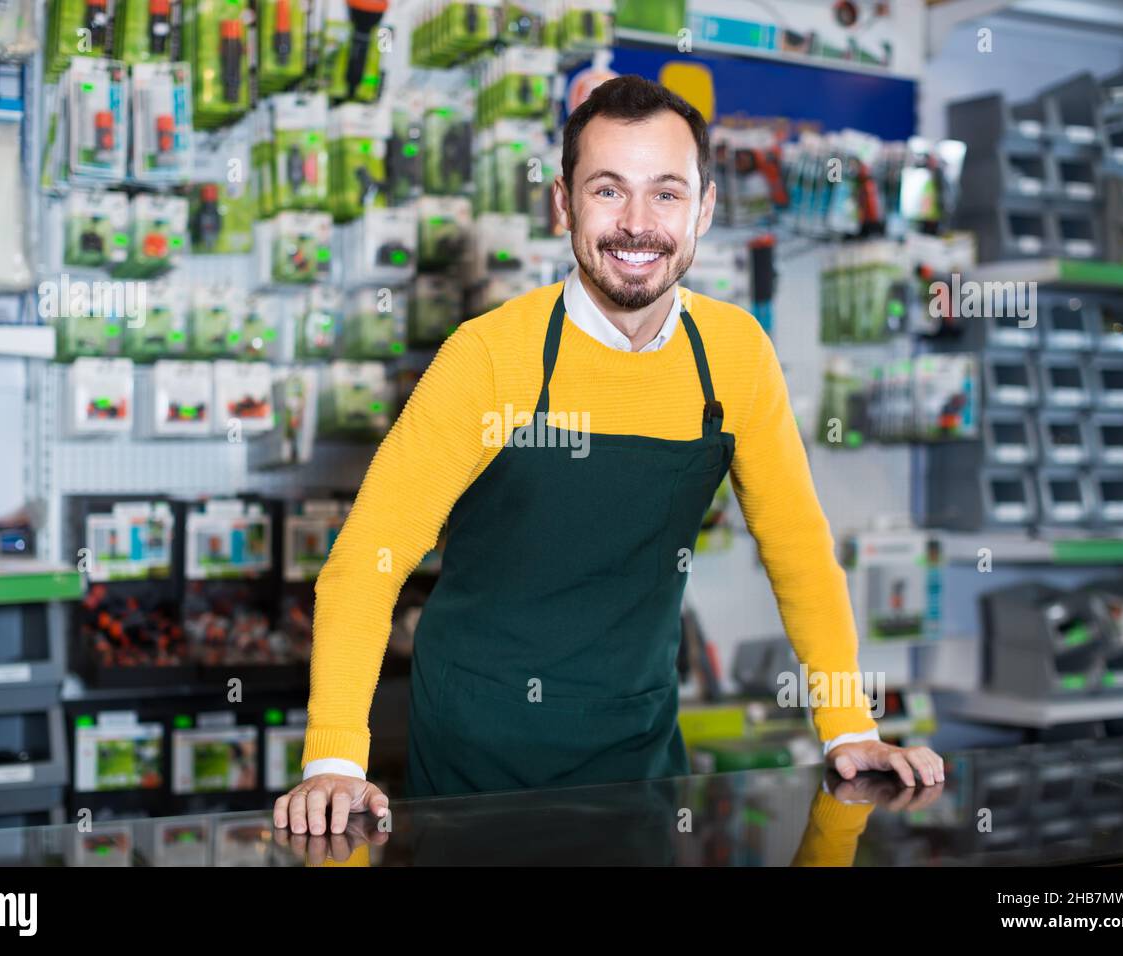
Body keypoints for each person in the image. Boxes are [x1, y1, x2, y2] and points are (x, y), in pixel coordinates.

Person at [274, 74, 944, 837]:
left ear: (706, 208)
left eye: (666, 193)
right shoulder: (489, 356)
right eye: (607, 190)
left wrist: (847, 727)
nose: (637, 224)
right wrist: (333, 759)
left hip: (640, 749)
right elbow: (368, 561)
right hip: (476, 760)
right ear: (564, 203)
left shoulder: (735, 356)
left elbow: (797, 549)